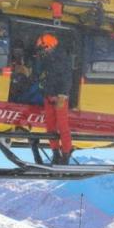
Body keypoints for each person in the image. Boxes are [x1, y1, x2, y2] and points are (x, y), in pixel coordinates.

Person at [35, 33, 73, 165]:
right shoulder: (48, 58)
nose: (43, 51)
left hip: (59, 97)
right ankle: (56, 153)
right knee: (50, 126)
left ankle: (66, 154)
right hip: (49, 96)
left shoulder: (62, 58)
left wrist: (62, 95)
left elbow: (67, 77)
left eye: (43, 48)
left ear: (49, 46)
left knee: (63, 126)